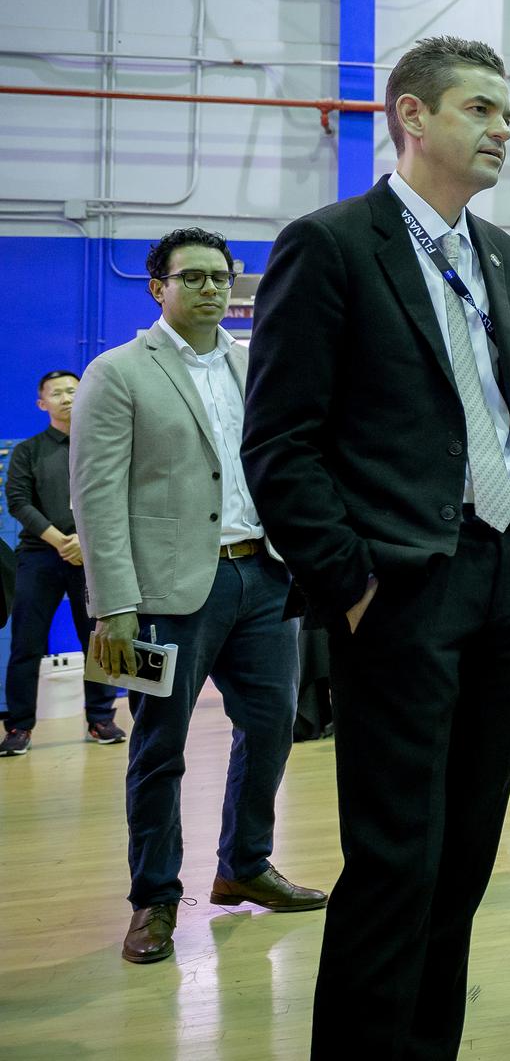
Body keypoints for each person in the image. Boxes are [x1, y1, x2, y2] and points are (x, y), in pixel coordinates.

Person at [241, 35, 510, 1060]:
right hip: (401, 590)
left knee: (467, 858)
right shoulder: (332, 244)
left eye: (506, 113)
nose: (500, 129)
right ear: (412, 118)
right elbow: (280, 442)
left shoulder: (505, 257)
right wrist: (349, 583)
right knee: (396, 860)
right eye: (480, 109)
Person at [69, 228, 325, 965]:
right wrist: (112, 602)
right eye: (196, 277)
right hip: (160, 598)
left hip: (262, 577)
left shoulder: (255, 366)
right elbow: (96, 496)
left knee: (274, 726)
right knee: (158, 749)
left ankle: (244, 862)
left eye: (223, 277)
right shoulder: (117, 372)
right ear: (159, 287)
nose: (213, 289)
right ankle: (153, 898)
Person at [3, 368, 123, 754]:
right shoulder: (28, 451)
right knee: (26, 643)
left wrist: (85, 545)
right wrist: (60, 541)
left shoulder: (102, 445)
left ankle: (101, 718)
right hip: (40, 555)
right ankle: (19, 727)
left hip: (93, 555)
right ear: (43, 404)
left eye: (73, 391)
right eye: (57, 393)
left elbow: (117, 496)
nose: (67, 398)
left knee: (99, 641)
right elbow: (20, 503)